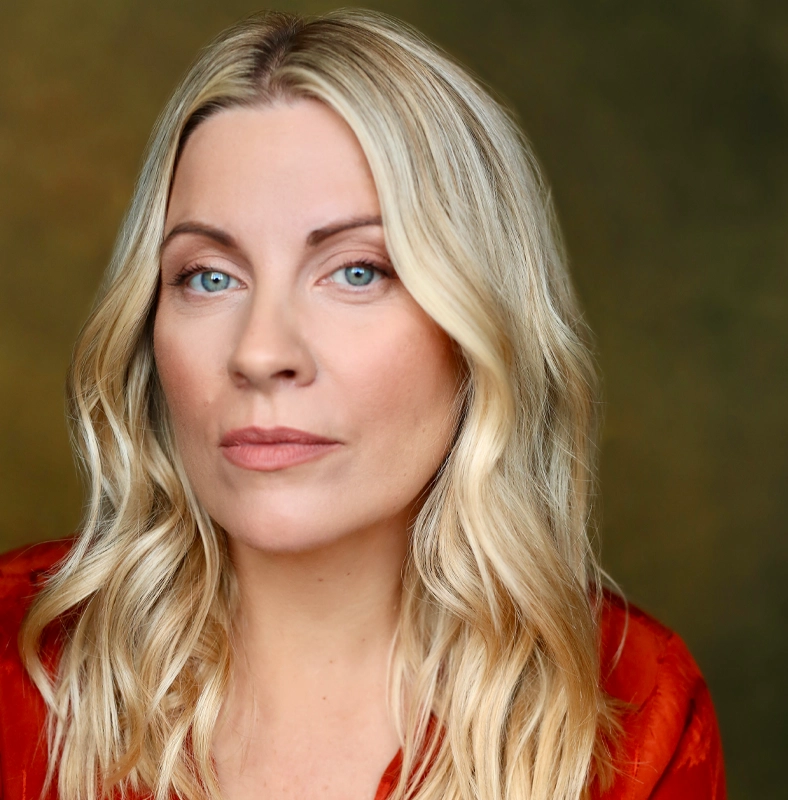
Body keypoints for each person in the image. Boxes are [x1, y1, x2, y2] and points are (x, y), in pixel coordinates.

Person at [0, 9, 725, 800]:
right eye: (210, 276)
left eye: (357, 271)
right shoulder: (17, 668)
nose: (260, 352)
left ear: (479, 325)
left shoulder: (634, 708)